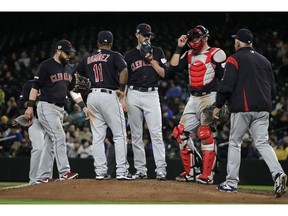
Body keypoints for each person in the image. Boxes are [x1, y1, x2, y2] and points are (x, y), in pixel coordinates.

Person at [212, 28, 287, 198]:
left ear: (239, 42)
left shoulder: (234, 59)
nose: (234, 42)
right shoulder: (265, 61)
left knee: (235, 142)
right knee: (262, 143)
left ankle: (231, 183)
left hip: (243, 108)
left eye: (235, 40)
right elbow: (273, 89)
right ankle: (277, 174)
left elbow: (227, 84)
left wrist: (218, 104)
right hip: (264, 108)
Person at [24, 39, 89, 183]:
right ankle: (64, 172)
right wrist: (30, 106)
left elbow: (73, 90)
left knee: (49, 143)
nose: (69, 56)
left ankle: (43, 176)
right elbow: (35, 87)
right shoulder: (46, 66)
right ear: (58, 51)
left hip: (60, 109)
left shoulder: (69, 68)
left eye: (70, 53)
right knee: (59, 137)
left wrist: (83, 106)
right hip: (46, 106)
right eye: (66, 53)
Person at [169, 25, 226, 184]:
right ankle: (191, 171)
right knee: (180, 133)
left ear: (206, 37)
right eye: (192, 37)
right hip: (193, 98)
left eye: (197, 37)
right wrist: (179, 47)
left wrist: (221, 103)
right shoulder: (188, 54)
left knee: (205, 134)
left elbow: (225, 79)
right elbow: (172, 68)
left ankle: (207, 175)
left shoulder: (217, 53)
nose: (194, 40)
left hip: (210, 97)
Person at [74, 30, 135, 180]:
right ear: (111, 43)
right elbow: (124, 70)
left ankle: (100, 172)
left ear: (98, 43)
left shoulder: (88, 58)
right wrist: (121, 89)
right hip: (109, 95)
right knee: (120, 135)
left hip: (92, 97)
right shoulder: (114, 55)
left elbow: (75, 76)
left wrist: (84, 89)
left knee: (97, 137)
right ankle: (121, 171)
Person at [124, 23, 168, 180]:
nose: (147, 38)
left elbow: (163, 73)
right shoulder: (129, 56)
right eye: (144, 35)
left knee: (156, 133)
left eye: (149, 36)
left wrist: (151, 59)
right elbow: (125, 80)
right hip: (133, 94)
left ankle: (161, 170)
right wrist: (123, 98)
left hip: (151, 94)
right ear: (137, 35)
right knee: (136, 135)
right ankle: (141, 170)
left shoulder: (157, 51)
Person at [18, 80, 54, 185]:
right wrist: (33, 103)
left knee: (49, 149)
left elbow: (66, 102)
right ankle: (33, 180)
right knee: (38, 148)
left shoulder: (56, 83)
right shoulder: (29, 84)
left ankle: (46, 177)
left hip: (51, 120)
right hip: (35, 120)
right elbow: (20, 103)